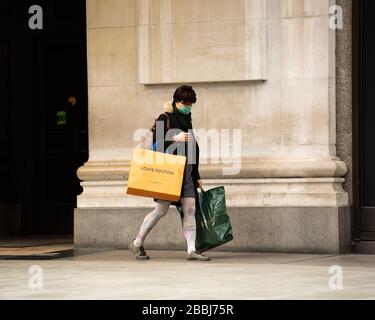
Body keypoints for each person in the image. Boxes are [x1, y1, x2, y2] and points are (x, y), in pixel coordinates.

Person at [128, 85, 210, 261]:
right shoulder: (163, 118)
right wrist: (174, 138)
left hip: (187, 173)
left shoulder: (187, 120)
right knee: (161, 210)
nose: (188, 107)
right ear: (176, 101)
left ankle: (191, 250)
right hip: (169, 173)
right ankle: (136, 242)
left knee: (190, 209)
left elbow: (192, 149)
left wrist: (197, 177)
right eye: (185, 103)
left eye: (190, 104)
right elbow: (156, 144)